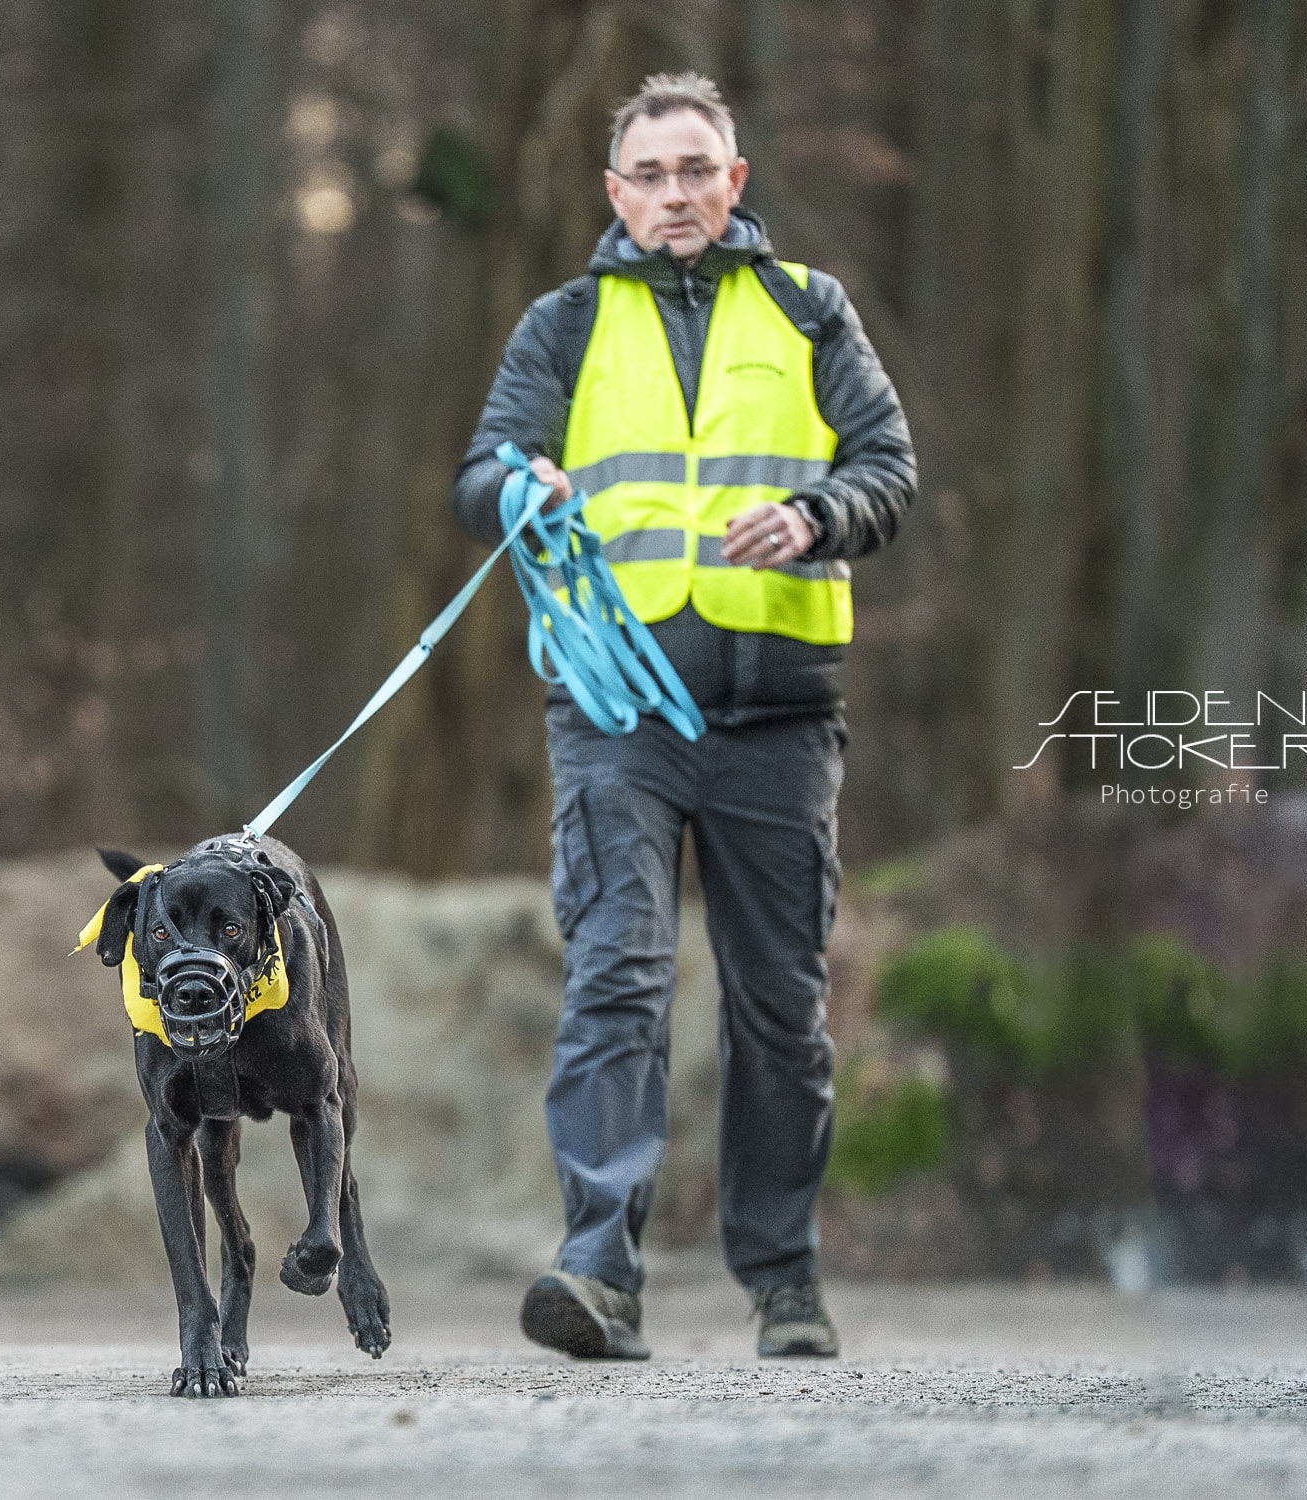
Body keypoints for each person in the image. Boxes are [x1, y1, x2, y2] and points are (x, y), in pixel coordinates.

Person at [453, 72, 916, 1359]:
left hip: (780, 719)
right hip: (615, 711)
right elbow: (479, 475)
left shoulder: (810, 309)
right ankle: (596, 1275)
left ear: (734, 181)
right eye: (649, 175)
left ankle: (784, 1285)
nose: (674, 194)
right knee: (616, 979)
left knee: (780, 1007)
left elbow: (888, 469)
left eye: (695, 170)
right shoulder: (562, 325)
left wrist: (816, 515)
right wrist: (520, 489)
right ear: (615, 194)